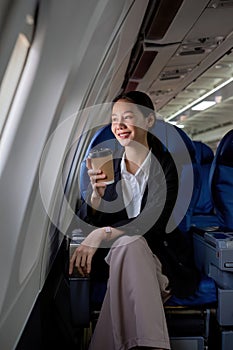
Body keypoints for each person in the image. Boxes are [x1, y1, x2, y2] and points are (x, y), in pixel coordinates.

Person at [69, 91, 200, 350]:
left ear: (149, 121)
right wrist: (96, 197)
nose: (118, 125)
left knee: (131, 243)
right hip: (115, 262)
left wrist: (102, 234)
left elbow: (154, 222)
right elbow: (88, 222)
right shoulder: (108, 168)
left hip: (160, 262)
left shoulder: (168, 166)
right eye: (114, 118)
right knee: (127, 244)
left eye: (127, 117)